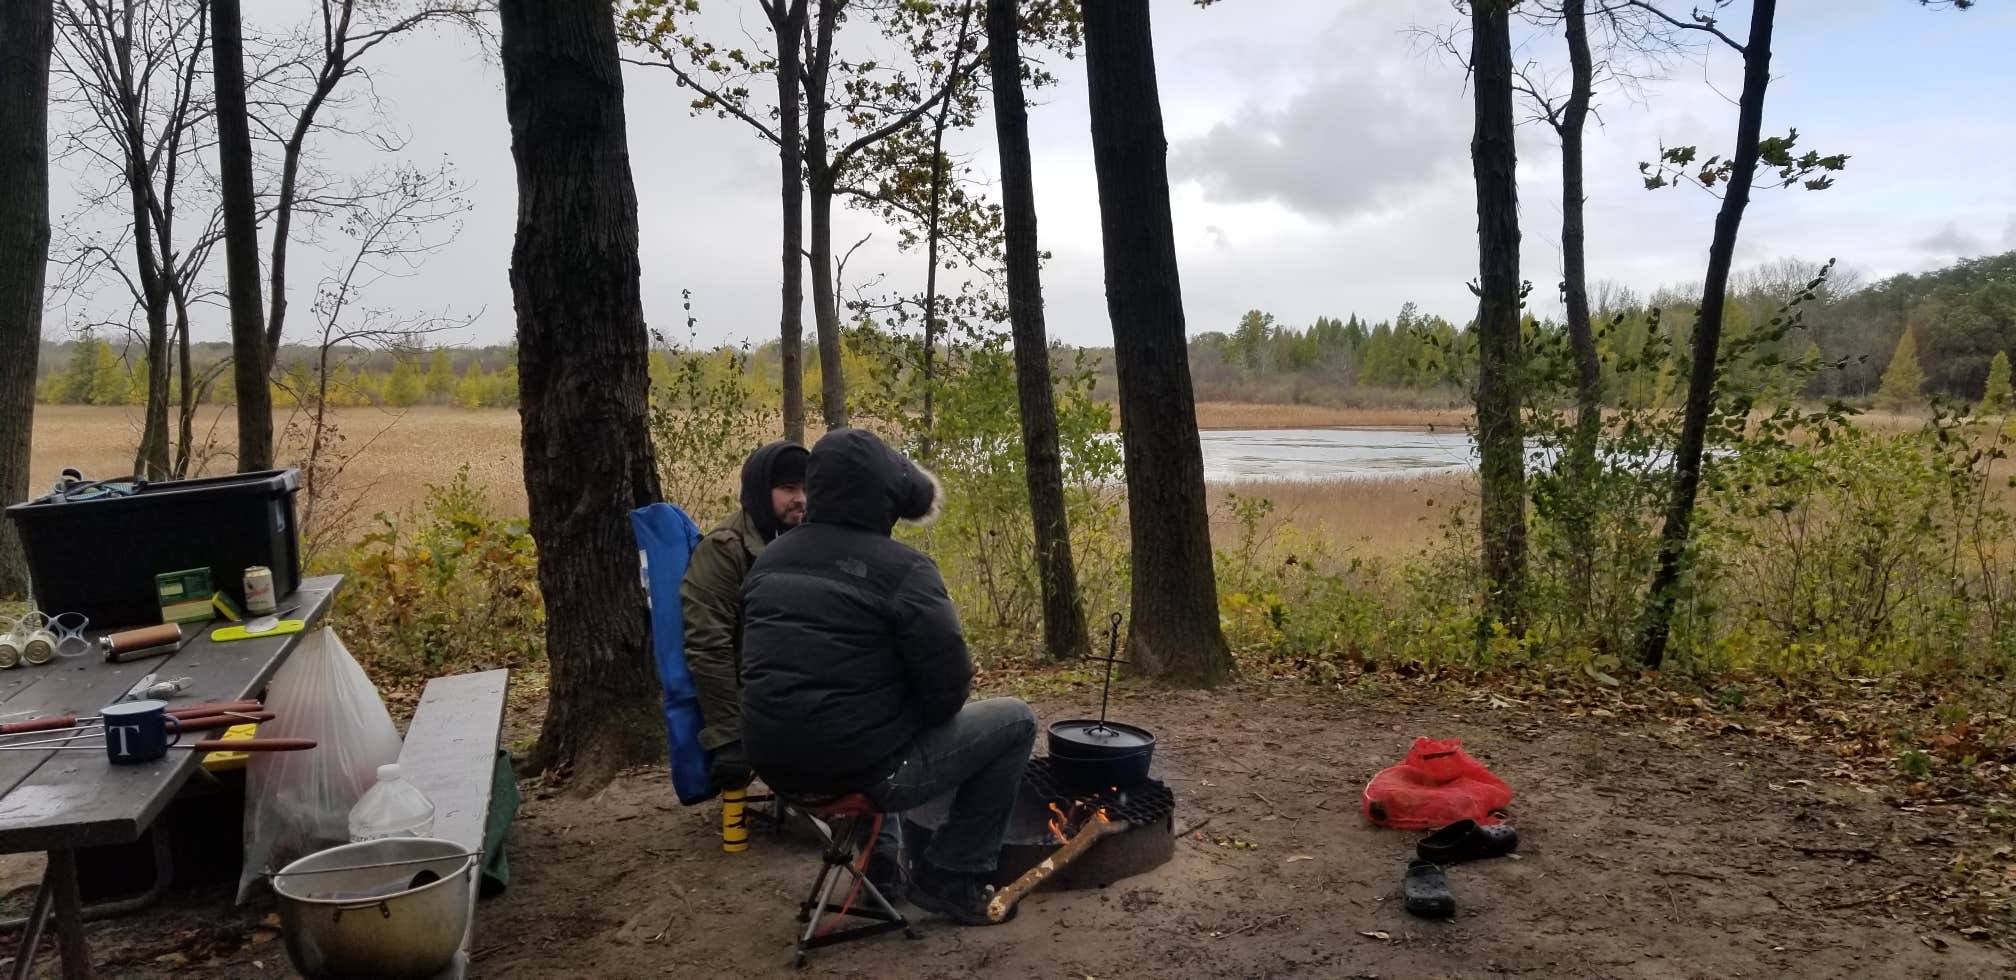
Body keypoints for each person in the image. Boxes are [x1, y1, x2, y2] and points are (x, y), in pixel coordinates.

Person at [740, 428, 1038, 926]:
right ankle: (952, 873)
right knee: (1017, 721)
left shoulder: (769, 559)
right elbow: (948, 692)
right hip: (861, 772)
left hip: (775, 768)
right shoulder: (906, 570)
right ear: (887, 499)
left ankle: (881, 865)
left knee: (868, 717)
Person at [680, 440, 807, 794]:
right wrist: (729, 736)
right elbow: (708, 645)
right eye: (788, 488)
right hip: (757, 694)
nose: (801, 499)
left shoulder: (808, 539)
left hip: (806, 684)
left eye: (807, 488)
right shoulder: (726, 549)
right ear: (760, 491)